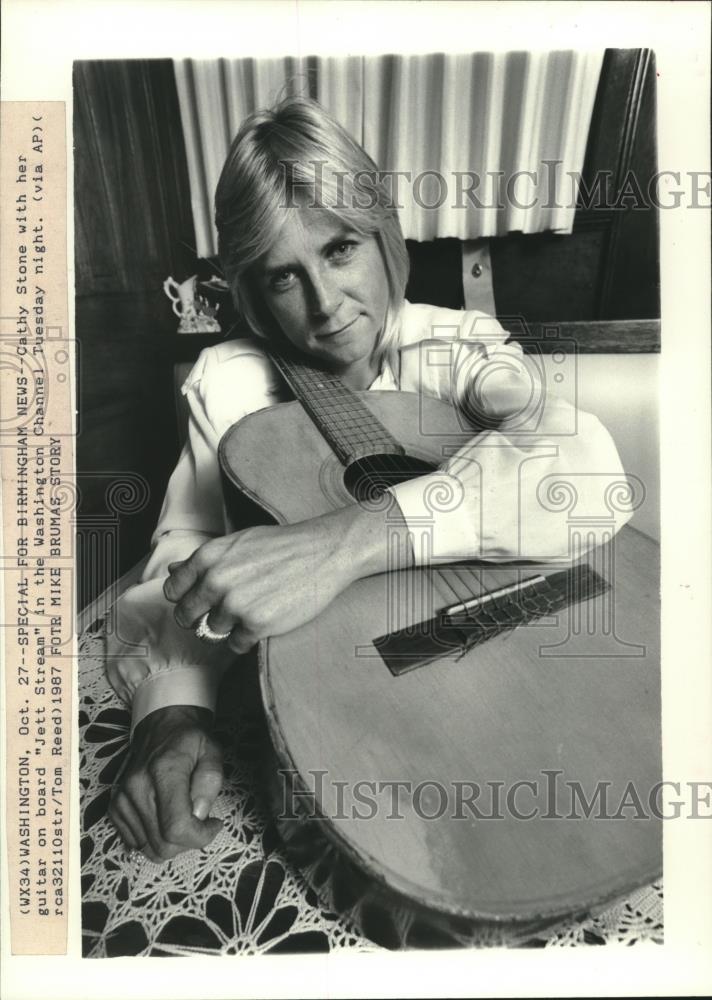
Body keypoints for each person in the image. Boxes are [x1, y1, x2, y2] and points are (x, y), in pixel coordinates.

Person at [105, 97, 632, 863]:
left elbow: (586, 471)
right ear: (251, 289)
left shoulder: (458, 346)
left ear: (382, 234)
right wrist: (172, 717)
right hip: (358, 710)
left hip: (510, 671)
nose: (324, 306)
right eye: (284, 277)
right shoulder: (229, 380)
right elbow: (176, 572)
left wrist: (342, 544)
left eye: (340, 249)